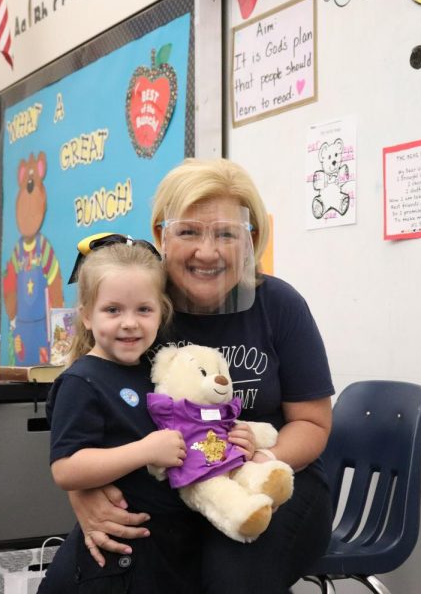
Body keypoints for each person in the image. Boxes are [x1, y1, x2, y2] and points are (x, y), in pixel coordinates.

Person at [68, 158, 335, 593]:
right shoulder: (138, 308)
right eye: (189, 231)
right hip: (170, 487)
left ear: (250, 239)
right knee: (80, 579)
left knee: (231, 576)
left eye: (227, 233)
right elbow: (80, 420)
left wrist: (260, 465)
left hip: (276, 478)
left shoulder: (280, 306)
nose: (207, 251)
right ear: (161, 236)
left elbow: (313, 423)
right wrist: (82, 495)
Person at [38, 236, 203, 594]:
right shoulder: (82, 381)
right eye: (113, 310)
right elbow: (66, 469)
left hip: (162, 555)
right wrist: (145, 451)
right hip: (114, 568)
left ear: (162, 311)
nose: (129, 323)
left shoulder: (157, 372)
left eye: (143, 310)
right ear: (85, 314)